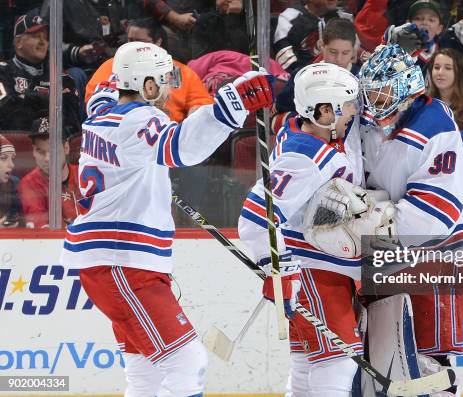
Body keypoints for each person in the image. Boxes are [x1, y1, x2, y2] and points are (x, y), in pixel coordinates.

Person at [60, 41, 274, 397]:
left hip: (113, 261)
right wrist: (230, 105)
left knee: (145, 373)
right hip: (123, 262)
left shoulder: (100, 115)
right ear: (145, 85)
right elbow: (183, 148)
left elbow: (104, 99)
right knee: (186, 362)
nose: (168, 90)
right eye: (162, 80)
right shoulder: (140, 118)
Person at [237, 62, 365, 396]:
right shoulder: (304, 155)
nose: (354, 111)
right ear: (324, 111)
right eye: (347, 104)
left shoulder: (306, 131)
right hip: (313, 273)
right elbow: (254, 217)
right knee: (338, 363)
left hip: (314, 272)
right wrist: (280, 270)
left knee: (308, 363)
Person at [357, 44, 463, 395]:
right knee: (384, 365)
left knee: (427, 367)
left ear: (406, 86)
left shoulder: (434, 123)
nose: (373, 99)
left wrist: (370, 221)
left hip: (438, 260)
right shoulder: (370, 124)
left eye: (382, 90)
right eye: (369, 91)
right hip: (388, 257)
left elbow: (436, 214)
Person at [85, 17, 213, 123]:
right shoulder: (113, 65)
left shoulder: (178, 71)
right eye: (130, 41)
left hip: (170, 137)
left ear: (158, 42)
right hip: (123, 132)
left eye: (140, 42)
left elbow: (202, 102)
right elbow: (94, 98)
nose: (132, 46)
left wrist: (196, 113)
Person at [272, 17, 360, 133]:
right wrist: (309, 123)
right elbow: (276, 119)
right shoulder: (303, 77)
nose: (339, 59)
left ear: (353, 51)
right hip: (310, 145)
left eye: (345, 53)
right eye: (333, 52)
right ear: (322, 46)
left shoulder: (362, 78)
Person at [0, 8, 82, 131]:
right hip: (16, 146)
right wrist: (48, 99)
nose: (43, 42)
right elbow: (8, 114)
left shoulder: (61, 76)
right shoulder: (3, 71)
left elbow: (70, 121)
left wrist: (27, 98)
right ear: (18, 42)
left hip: (56, 147)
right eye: (36, 36)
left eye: (45, 37)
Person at [17, 117, 81, 229]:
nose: (47, 159)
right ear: (33, 151)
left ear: (66, 148)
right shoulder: (29, 183)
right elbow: (43, 231)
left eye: (53, 150)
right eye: (40, 151)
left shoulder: (84, 174)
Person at [0, 135, 22, 228]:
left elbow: (20, 218)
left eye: (12, 158)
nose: (12, 165)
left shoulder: (14, 184)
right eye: (3, 158)